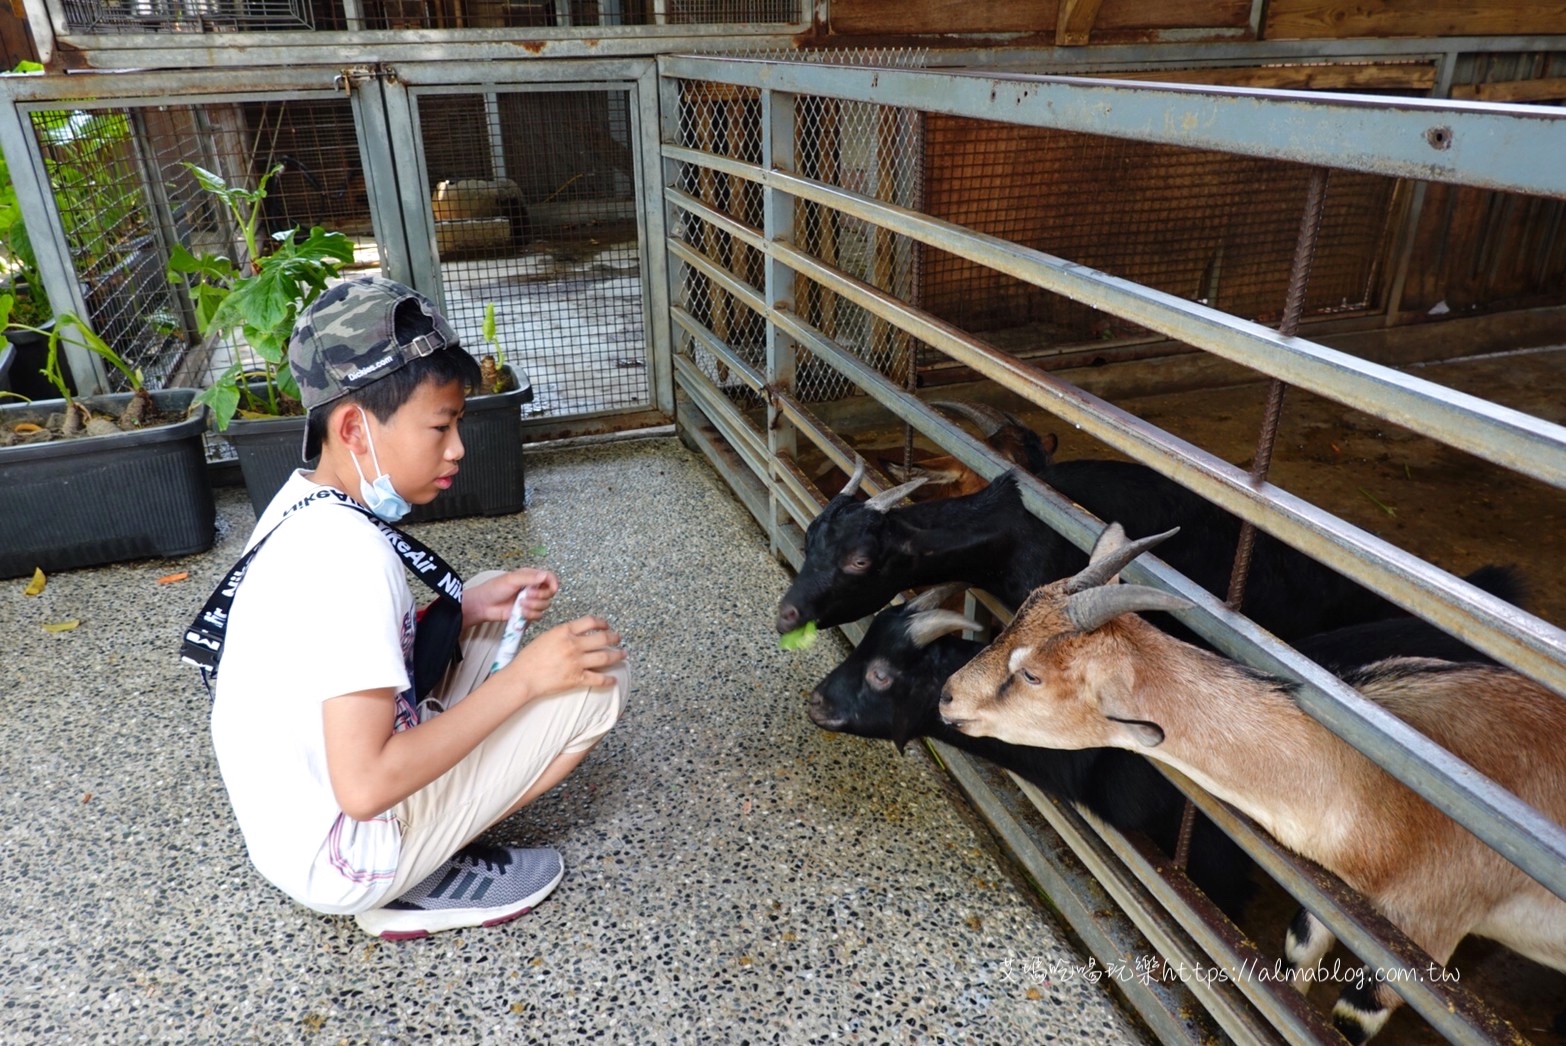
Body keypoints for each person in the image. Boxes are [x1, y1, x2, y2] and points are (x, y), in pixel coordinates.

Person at [208, 275, 628, 941]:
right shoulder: (350, 562)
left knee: (485, 598)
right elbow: (367, 786)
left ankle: (420, 839)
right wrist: (527, 680)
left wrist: (462, 612)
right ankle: (410, 880)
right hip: (344, 854)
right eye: (441, 425)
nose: (458, 447)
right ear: (354, 427)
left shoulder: (303, 502)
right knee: (596, 687)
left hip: (296, 823)